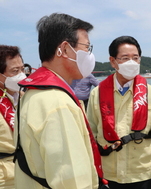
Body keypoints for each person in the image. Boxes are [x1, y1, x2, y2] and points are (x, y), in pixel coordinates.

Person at [14, 13, 103, 189]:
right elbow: (71, 181)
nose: (89, 54)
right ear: (65, 49)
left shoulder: (35, 92)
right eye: (86, 47)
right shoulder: (57, 103)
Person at [87, 35, 151, 189]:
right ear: (113, 61)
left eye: (135, 58)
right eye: (125, 58)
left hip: (142, 174)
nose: (132, 62)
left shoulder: (150, 93)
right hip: (108, 173)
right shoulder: (96, 94)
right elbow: (90, 134)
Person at [0, 45, 26, 188]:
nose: (21, 75)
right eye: (15, 71)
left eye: (22, 69)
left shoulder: (25, 97)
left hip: (26, 170)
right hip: (4, 177)